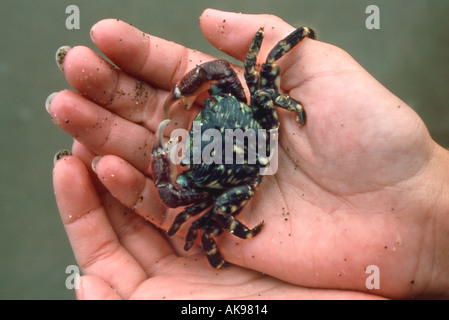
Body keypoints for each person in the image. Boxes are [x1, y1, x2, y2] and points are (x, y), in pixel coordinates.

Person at [47, 9, 449, 299]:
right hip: (258, 150)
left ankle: (221, 259)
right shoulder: (247, 105)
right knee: (259, 71)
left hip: (240, 184)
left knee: (197, 209)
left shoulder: (202, 179)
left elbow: (173, 197)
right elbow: (228, 71)